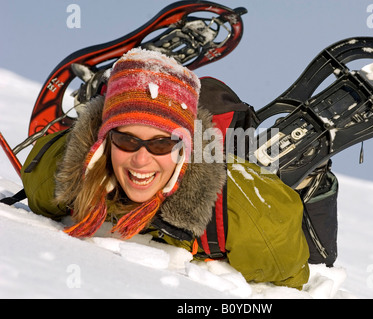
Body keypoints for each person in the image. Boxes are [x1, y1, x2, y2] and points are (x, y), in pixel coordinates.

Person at [20, 48, 335, 290]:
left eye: (161, 144)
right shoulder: (56, 179)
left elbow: (291, 283)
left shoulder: (253, 223)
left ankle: (305, 179)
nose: (141, 160)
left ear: (185, 148)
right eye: (127, 140)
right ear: (104, 140)